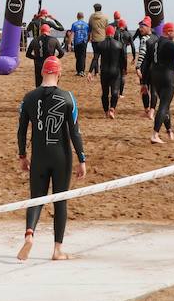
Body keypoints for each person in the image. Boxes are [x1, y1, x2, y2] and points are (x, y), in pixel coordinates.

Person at [16, 56, 86, 261]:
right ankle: (57, 250)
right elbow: (75, 132)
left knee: (36, 198)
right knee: (60, 200)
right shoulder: (68, 97)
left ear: (42, 73)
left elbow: (21, 131)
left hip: (39, 155)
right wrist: (82, 159)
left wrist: (22, 155)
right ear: (59, 73)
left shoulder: (28, 97)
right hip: (61, 157)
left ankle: (29, 233)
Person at [89, 25, 126, 119]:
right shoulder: (119, 44)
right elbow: (123, 59)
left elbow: (95, 59)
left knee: (105, 93)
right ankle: (112, 109)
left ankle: (106, 111)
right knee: (115, 92)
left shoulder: (100, 44)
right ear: (113, 33)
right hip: (115, 71)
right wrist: (124, 69)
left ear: (105, 33)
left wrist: (90, 71)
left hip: (104, 72)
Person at [26, 23, 65, 88]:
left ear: (41, 31)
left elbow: (28, 54)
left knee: (39, 85)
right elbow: (61, 53)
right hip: (50, 65)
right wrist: (54, 58)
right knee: (51, 83)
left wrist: (36, 58)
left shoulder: (35, 40)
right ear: (49, 31)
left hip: (38, 65)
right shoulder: (54, 40)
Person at [135, 18, 159, 120]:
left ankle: (147, 110)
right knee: (154, 89)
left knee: (144, 89)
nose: (140, 29)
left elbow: (142, 53)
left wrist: (137, 67)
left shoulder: (144, 39)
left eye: (142, 27)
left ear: (148, 27)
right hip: (155, 68)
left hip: (145, 68)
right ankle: (152, 111)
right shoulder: (157, 38)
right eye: (140, 27)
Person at [114, 19, 137, 99]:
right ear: (124, 25)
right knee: (123, 74)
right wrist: (134, 57)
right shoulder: (128, 34)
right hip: (124, 55)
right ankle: (120, 93)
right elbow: (133, 46)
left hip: (115, 55)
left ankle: (115, 92)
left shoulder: (115, 33)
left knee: (116, 74)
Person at [87, 3, 109, 71]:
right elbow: (107, 28)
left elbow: (89, 28)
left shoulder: (91, 17)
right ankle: (102, 69)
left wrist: (89, 38)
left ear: (94, 9)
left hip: (94, 39)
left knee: (95, 56)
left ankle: (96, 71)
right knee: (103, 56)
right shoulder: (105, 17)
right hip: (102, 38)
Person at [70, 12, 90, 77]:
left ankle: (79, 71)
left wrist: (69, 43)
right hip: (84, 42)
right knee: (83, 56)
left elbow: (72, 34)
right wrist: (88, 40)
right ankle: (82, 71)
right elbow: (89, 33)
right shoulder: (86, 25)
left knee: (77, 57)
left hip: (77, 42)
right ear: (83, 16)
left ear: (77, 16)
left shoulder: (74, 24)